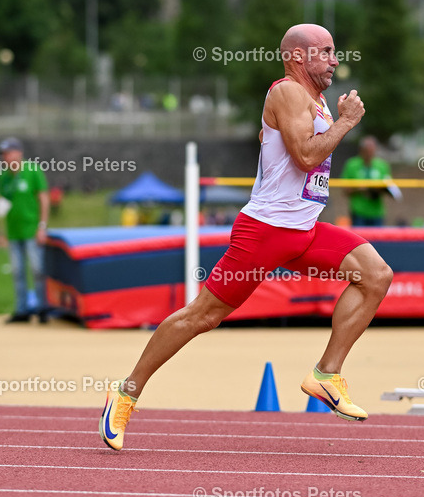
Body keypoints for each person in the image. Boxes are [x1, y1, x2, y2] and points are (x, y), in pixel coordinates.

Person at [100, 23, 393, 449]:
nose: (335, 60)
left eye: (335, 52)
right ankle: (125, 393)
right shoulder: (287, 92)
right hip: (267, 232)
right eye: (326, 52)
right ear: (297, 57)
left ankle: (326, 375)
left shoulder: (315, 99)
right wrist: (346, 123)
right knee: (203, 316)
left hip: (304, 230)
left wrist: (287, 132)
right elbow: (307, 154)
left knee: (376, 275)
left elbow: (285, 144)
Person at [0, 137, 50, 323]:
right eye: (3, 154)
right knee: (18, 271)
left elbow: (43, 198)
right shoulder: (4, 176)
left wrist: (42, 226)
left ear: (19, 153)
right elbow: (5, 205)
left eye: (8, 153)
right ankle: (22, 310)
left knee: (37, 270)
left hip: (31, 229)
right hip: (13, 231)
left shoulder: (33, 171)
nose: (5, 157)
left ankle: (43, 308)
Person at [341, 136, 398, 226]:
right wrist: (360, 189)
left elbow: (390, 187)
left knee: (379, 239)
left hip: (377, 212)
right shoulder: (351, 165)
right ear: (361, 150)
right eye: (367, 151)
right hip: (359, 212)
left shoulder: (382, 166)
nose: (370, 154)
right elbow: (345, 190)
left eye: (372, 151)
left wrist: (378, 190)